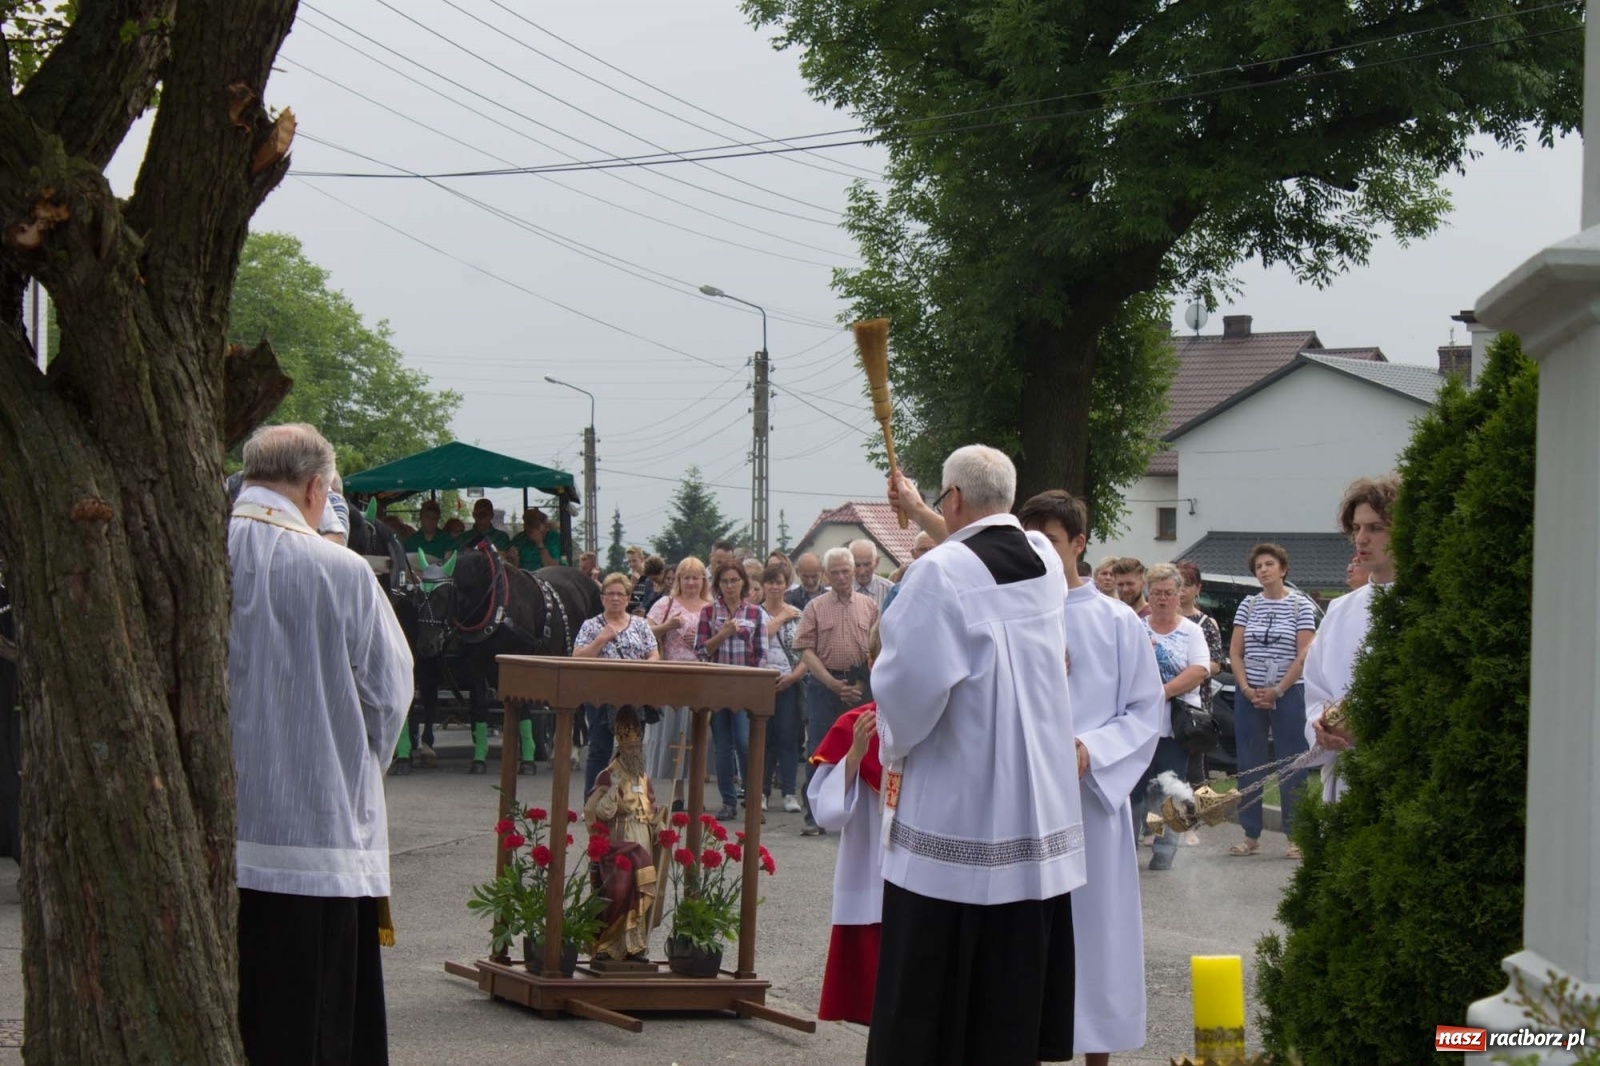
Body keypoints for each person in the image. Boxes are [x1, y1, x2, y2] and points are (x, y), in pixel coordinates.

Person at [868, 445, 1084, 1066]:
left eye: (942, 500)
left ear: (954, 499)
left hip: (958, 814)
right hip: (1035, 819)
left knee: (935, 1008)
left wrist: (890, 741)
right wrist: (917, 507)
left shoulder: (935, 575)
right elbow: (982, 550)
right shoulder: (1043, 558)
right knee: (1007, 1008)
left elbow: (908, 690)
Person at [228, 424, 412, 1065]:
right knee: (321, 1031)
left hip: (218, 838)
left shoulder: (199, 555)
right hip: (319, 842)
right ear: (315, 489)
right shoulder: (342, 571)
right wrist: (355, 769)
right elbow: (389, 696)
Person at [1019, 490, 1163, 1065]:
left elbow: (1145, 711)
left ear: (1079, 544)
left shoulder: (1117, 622)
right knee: (1027, 932)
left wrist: (1090, 748)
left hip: (1090, 800)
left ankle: (1096, 1053)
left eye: (1050, 540)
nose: (1040, 552)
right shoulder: (1016, 614)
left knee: (1096, 931)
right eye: (1030, 540)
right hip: (1024, 798)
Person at [807, 623, 885, 1025]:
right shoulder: (854, 724)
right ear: (872, 664)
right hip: (872, 866)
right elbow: (827, 812)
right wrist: (855, 754)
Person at [1305, 476, 1399, 803]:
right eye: (1356, 529)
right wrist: (1321, 727)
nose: (1362, 539)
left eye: (1375, 528)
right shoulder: (1340, 611)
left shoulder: (1427, 604)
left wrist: (1369, 728)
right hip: (1346, 781)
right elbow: (1316, 690)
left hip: (1401, 777)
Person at [1228, 543, 1317, 858]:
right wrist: (1247, 687)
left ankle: (1297, 836)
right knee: (1249, 762)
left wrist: (1278, 689)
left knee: (1292, 762)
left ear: (1283, 568)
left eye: (1269, 564)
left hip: (1289, 692)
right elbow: (1236, 653)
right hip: (1249, 692)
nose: (1263, 570)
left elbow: (1304, 654)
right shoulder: (1248, 605)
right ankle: (1250, 835)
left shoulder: (1300, 606)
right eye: (1258, 566)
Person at [793, 547, 878, 837]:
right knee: (818, 749)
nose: (842, 577)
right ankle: (814, 815)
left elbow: (877, 650)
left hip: (860, 687)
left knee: (862, 748)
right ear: (826, 575)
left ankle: (855, 813)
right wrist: (831, 683)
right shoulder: (815, 607)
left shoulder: (869, 606)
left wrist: (860, 685)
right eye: (836, 572)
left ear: (854, 572)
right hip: (824, 687)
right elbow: (805, 650)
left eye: (846, 571)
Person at [1135, 564, 1212, 871]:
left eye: (1169, 592)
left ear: (1179, 595)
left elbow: (1199, 670)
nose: (1163, 599)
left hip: (1175, 726)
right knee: (1135, 788)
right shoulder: (1135, 628)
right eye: (1156, 593)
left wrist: (1162, 692)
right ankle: (1125, 847)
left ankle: (1163, 851)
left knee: (1166, 791)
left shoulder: (1191, 631)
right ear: (1147, 595)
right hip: (1139, 724)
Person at [583, 706, 660, 962]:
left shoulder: (643, 776)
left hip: (643, 837)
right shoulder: (609, 774)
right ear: (620, 746)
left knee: (640, 890)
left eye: (637, 747)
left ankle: (635, 945)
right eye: (629, 748)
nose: (634, 752)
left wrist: (663, 825)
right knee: (618, 891)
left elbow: (651, 807)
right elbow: (597, 811)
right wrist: (613, 791)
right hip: (621, 837)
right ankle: (608, 944)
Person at [573, 573, 661, 797]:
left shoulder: (640, 625)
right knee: (599, 749)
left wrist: (643, 670)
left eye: (619, 594)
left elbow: (654, 655)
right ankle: (592, 801)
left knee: (631, 749)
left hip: (633, 694)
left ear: (627, 597)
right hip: (600, 695)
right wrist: (601, 639)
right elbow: (578, 657)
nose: (615, 598)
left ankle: (634, 801)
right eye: (610, 594)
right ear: (602, 598)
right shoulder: (591, 625)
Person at [695, 562, 768, 821]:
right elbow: (701, 650)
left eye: (734, 581)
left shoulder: (755, 612)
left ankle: (752, 798)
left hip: (743, 688)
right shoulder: (708, 612)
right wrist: (723, 633)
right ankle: (727, 802)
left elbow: (762, 654)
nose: (729, 586)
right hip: (717, 688)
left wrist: (752, 683)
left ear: (743, 583)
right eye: (724, 581)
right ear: (717, 586)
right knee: (722, 747)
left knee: (745, 743)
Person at [643, 558, 710, 806]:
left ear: (703, 580)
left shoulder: (710, 606)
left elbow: (720, 639)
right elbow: (645, 632)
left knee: (699, 736)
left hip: (703, 677)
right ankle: (676, 792)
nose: (691, 582)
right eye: (686, 578)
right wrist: (667, 626)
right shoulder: (666, 604)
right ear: (678, 580)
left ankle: (697, 793)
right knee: (675, 735)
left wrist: (703, 638)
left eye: (696, 578)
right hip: (673, 675)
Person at [1175, 560, 1224, 823]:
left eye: (1188, 585)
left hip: (1197, 702)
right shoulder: (1161, 618)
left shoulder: (1206, 623)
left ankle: (1200, 813)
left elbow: (1216, 664)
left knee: (1195, 759)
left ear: (1197, 589)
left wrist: (1193, 667)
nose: (1182, 591)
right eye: (1178, 584)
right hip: (1170, 700)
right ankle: (1176, 813)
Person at [759, 564, 807, 814]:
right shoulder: (754, 613)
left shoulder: (798, 614)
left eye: (779, 582)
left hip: (789, 683)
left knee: (789, 739)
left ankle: (789, 792)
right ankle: (762, 792)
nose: (775, 587)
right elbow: (760, 636)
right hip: (761, 684)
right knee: (765, 740)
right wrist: (781, 618)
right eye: (770, 582)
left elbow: (806, 652)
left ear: (787, 585)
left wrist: (794, 677)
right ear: (763, 585)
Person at [403, 499, 455, 565]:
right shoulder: (410, 541)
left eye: (434, 518)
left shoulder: (447, 540)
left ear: (438, 519)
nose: (430, 521)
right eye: (427, 517)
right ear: (421, 517)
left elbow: (448, 565)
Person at [850, 539, 893, 611]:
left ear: (877, 562)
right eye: (857, 565)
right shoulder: (841, 591)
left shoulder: (890, 591)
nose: (862, 572)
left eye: (867, 565)